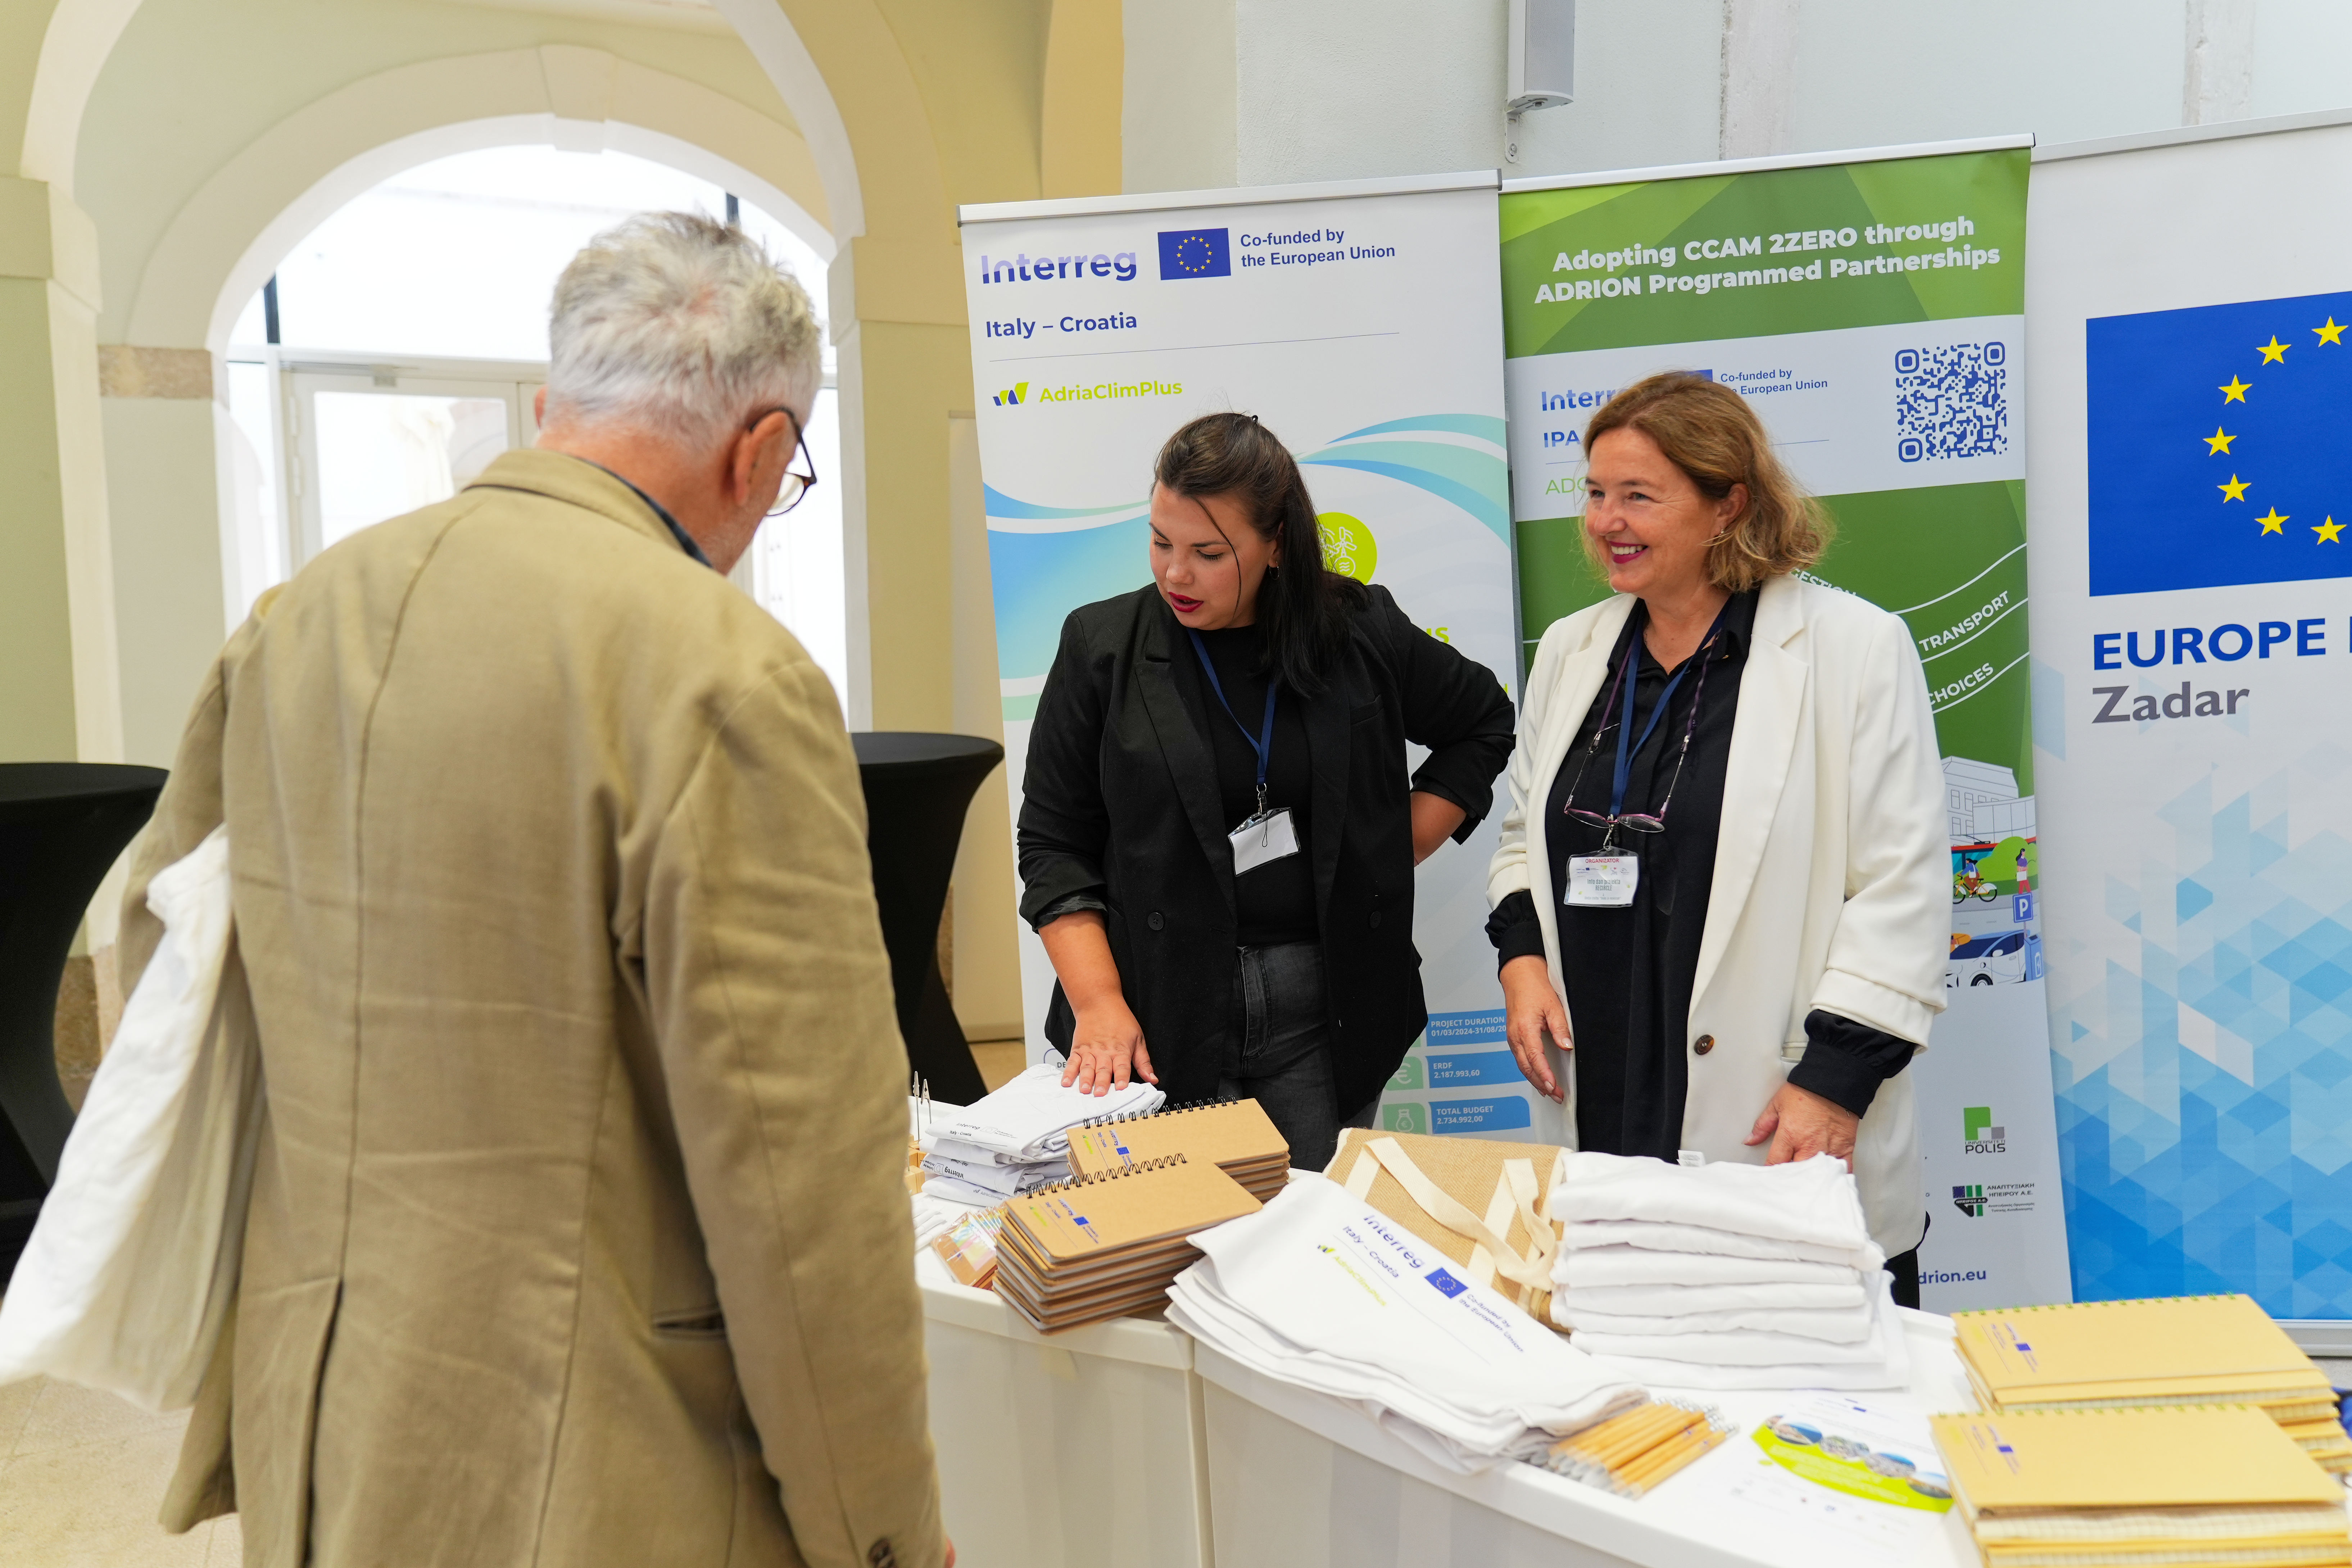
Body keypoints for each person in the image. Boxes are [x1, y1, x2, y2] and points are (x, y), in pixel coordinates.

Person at [119, 213, 951, 1568]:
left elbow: (165, 960)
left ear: (562, 399)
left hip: (320, 1414)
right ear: (757, 450)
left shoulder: (296, 618)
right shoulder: (723, 672)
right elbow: (803, 1190)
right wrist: (883, 1531)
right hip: (599, 1455)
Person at [1486, 372, 1945, 1301]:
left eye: (1638, 496)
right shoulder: (1572, 650)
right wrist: (1522, 959)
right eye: (1595, 493)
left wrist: (1833, 1082)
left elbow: (1900, 887)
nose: (1606, 521)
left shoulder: (1852, 648)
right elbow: (1519, 835)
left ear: (1727, 504)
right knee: (1627, 1361)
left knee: (1800, 1371)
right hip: (1604, 1102)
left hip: (1775, 1108)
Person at [1018, 412, 1517, 1171]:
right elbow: (1053, 845)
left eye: (1208, 553)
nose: (1175, 574)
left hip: (1325, 1011)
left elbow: (1481, 722)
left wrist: (1398, 842)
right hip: (1158, 1004)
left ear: (1277, 543)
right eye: (1160, 542)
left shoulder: (1357, 629)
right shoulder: (1102, 647)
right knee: (1184, 1229)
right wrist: (1097, 1002)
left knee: (1309, 1225)